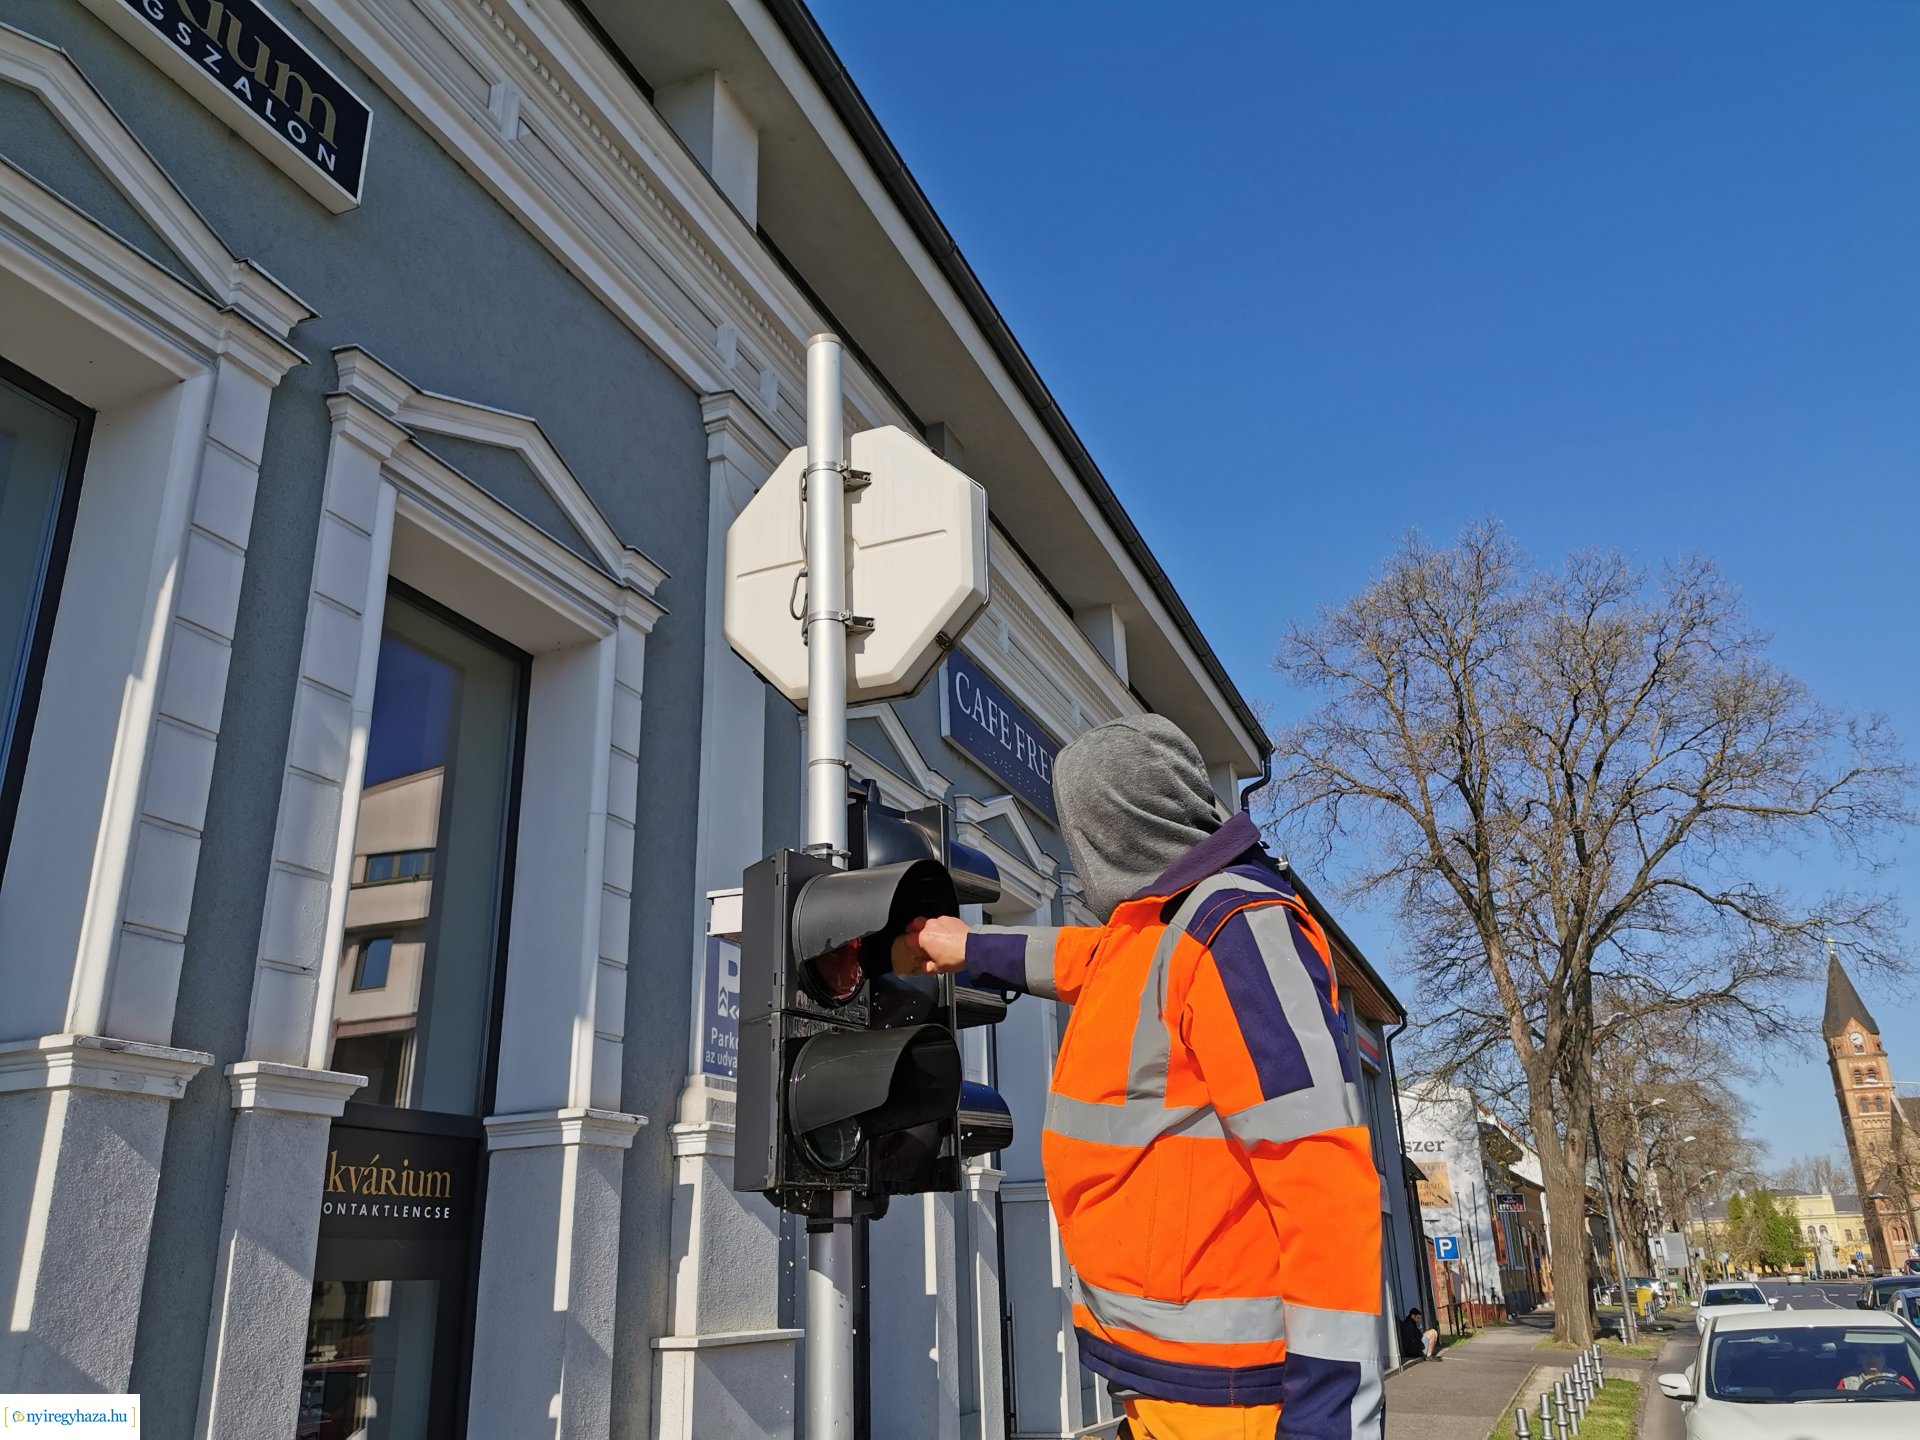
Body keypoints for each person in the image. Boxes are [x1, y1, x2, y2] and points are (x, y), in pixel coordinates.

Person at [895, 715, 1383, 1440]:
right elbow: (1080, 960)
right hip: (1166, 1378)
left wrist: (1329, 1419)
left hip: (1240, 1401)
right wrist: (966, 945)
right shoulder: (1159, 934)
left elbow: (1323, 1180)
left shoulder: (1236, 929)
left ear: (1107, 831)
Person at [1836, 1346, 1914, 1392]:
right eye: (1865, 1353)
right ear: (1859, 1358)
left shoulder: (1899, 1380)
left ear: (1884, 1359)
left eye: (1877, 1353)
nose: (1871, 1358)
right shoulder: (1846, 1381)